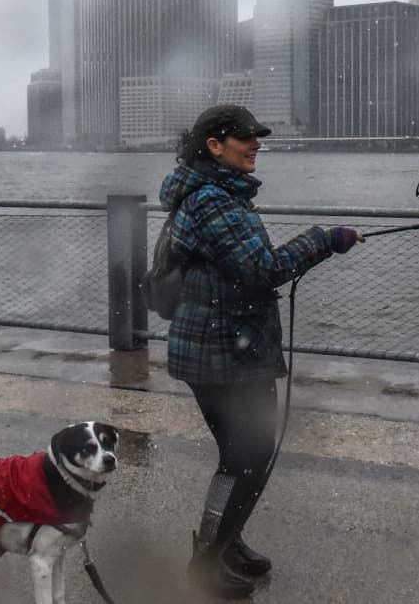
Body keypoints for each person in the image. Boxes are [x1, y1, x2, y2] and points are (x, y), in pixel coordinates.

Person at [159, 104, 362, 599]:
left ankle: (226, 543)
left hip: (224, 344)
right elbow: (263, 269)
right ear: (215, 145)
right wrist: (324, 240)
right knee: (246, 456)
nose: (256, 145)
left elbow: (245, 267)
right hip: (221, 350)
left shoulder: (217, 192)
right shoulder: (212, 200)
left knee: (245, 455)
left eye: (257, 137)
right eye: (246, 137)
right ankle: (207, 560)